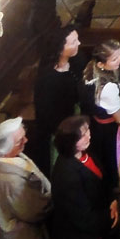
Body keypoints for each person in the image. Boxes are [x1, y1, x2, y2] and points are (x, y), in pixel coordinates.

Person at [49, 116, 113, 239]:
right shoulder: (67, 174)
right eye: (82, 135)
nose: (89, 135)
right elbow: (81, 218)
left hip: (95, 234)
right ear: (70, 143)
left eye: (87, 130)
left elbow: (101, 183)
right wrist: (109, 214)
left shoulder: (85, 154)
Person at [81, 39, 120, 190]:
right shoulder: (108, 88)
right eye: (115, 59)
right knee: (113, 163)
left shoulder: (89, 70)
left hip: (97, 125)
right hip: (109, 132)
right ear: (101, 64)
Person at [30, 25, 81, 176]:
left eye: (77, 39)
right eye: (73, 42)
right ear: (59, 49)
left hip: (74, 117)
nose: (79, 43)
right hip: (59, 129)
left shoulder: (77, 59)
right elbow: (47, 114)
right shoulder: (48, 79)